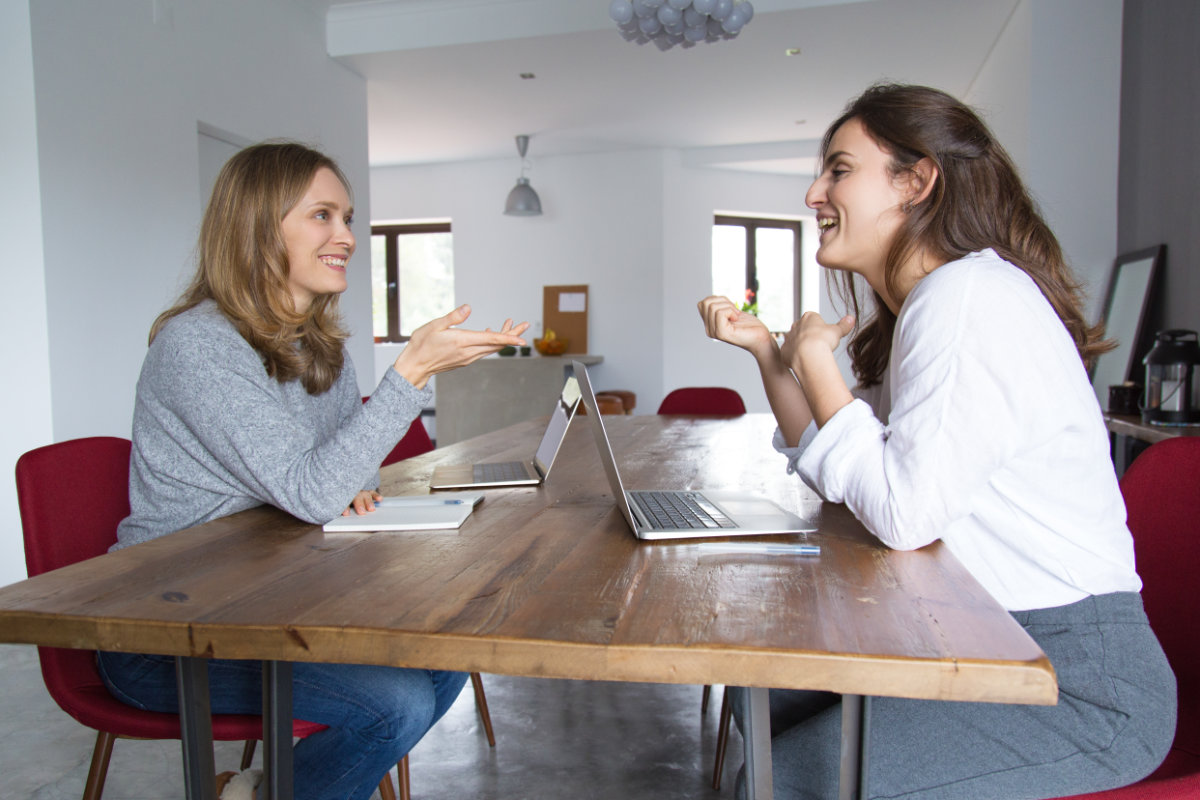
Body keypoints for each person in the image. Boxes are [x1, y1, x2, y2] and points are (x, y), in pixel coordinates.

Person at [698, 84, 1176, 799]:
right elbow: (842, 469)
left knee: (793, 777)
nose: (813, 192)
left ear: (917, 182)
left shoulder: (966, 300)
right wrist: (772, 354)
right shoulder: (936, 305)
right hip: (977, 636)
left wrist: (820, 362)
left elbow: (900, 512)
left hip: (1073, 682)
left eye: (838, 169)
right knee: (761, 693)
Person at [97, 141, 529, 800]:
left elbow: (335, 483)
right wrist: (410, 375)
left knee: (444, 656)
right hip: (168, 631)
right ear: (257, 229)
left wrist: (346, 481)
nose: (348, 237)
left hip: (269, 602)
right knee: (397, 704)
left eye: (348, 217)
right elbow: (311, 489)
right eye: (322, 216)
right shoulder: (198, 347)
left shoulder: (319, 347)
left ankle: (260, 794)